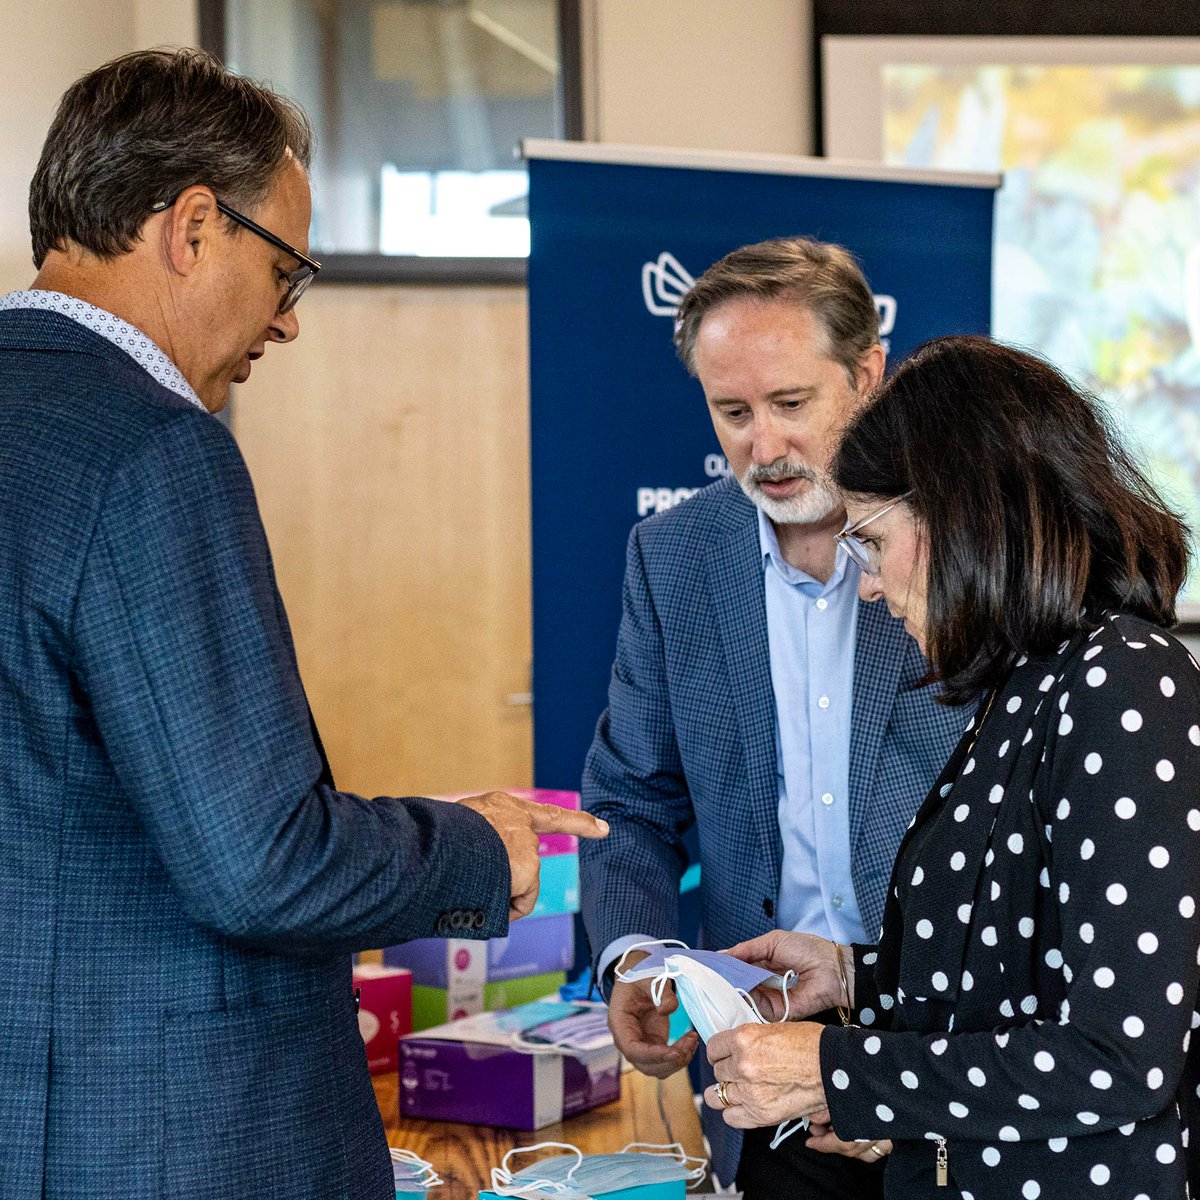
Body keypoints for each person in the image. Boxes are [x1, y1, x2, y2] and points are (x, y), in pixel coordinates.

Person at [0, 49, 606, 1199]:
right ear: (192, 228)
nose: (287, 321)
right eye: (286, 271)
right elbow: (261, 867)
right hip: (175, 1141)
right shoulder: (157, 451)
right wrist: (478, 845)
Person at [703, 336, 1200, 1199]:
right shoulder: (1028, 684)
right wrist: (856, 978)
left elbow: (1119, 1057)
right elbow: (1010, 968)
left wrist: (840, 1072)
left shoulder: (1122, 680)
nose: (866, 585)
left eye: (872, 542)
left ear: (964, 518)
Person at [579, 237, 967, 1195]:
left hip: (952, 1041)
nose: (764, 447)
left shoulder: (961, 544)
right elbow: (629, 798)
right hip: (764, 1048)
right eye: (734, 412)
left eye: (791, 404)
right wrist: (635, 955)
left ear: (868, 377)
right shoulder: (672, 558)